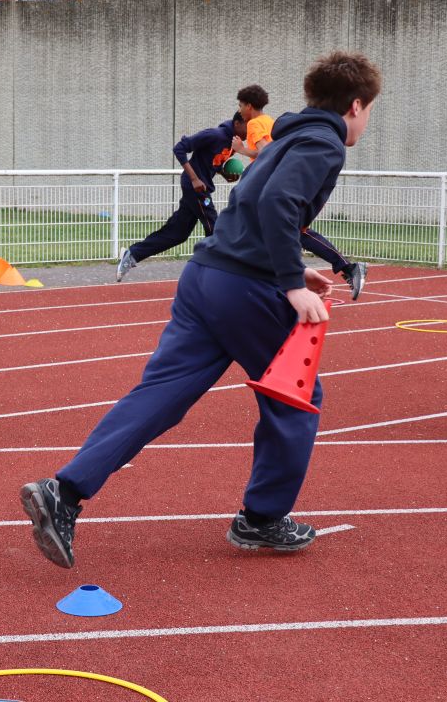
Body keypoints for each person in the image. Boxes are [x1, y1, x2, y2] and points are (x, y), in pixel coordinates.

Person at [22, 51, 383, 568]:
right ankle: (262, 518)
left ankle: (65, 492)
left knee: (162, 393)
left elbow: (248, 202)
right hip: (244, 290)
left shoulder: (284, 140)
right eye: (370, 112)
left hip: (206, 275)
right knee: (295, 398)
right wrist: (288, 280)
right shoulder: (324, 142)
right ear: (356, 105)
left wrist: (290, 268)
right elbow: (278, 204)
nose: (366, 122)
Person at [233, 84, 368, 300]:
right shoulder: (269, 121)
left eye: (241, 105)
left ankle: (297, 284)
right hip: (282, 182)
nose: (239, 110)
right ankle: (344, 267)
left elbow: (266, 151)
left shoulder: (255, 123)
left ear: (249, 106)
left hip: (269, 184)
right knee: (297, 232)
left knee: (285, 230)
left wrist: (241, 150)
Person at [116, 113, 245, 282]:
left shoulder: (234, 144)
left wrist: (224, 173)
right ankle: (214, 275)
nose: (251, 130)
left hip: (201, 187)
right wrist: (194, 179)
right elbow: (179, 148)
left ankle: (133, 254)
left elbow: (211, 162)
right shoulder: (214, 135)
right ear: (237, 123)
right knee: (214, 227)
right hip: (195, 187)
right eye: (249, 125)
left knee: (177, 233)